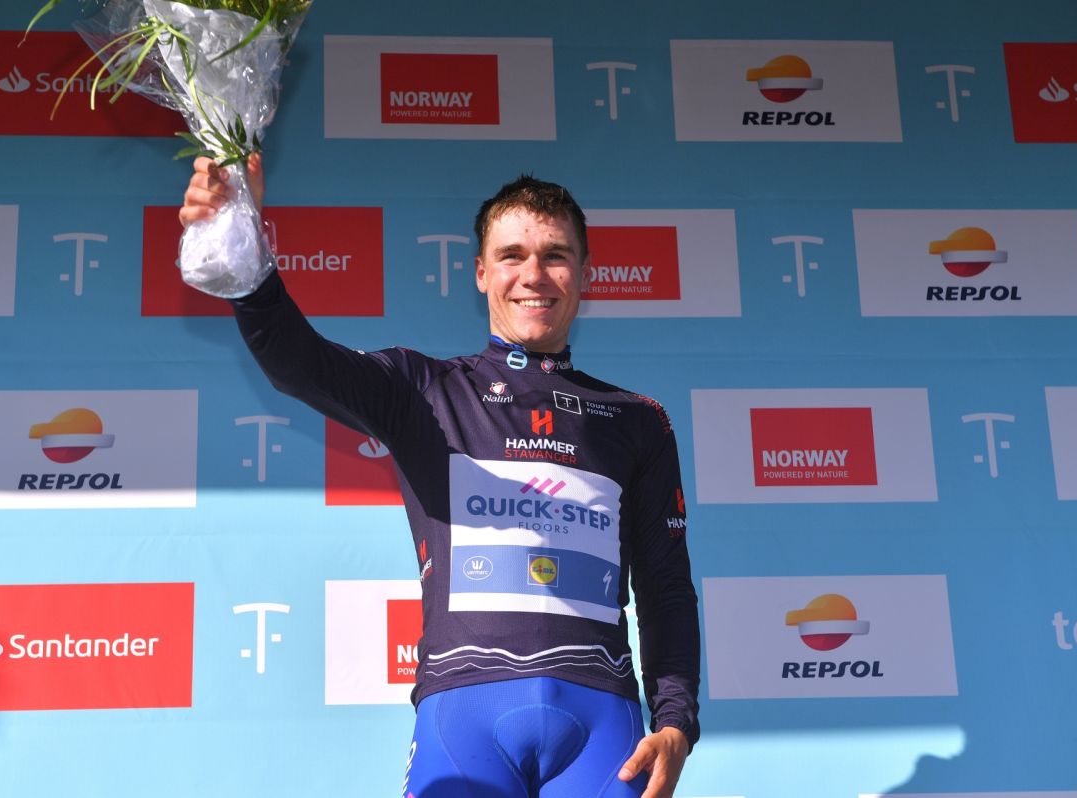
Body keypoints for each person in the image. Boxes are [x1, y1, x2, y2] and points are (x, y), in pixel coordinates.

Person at [180, 155, 700, 798]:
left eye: (555, 256)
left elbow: (666, 588)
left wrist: (676, 721)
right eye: (511, 256)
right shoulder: (424, 390)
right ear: (481, 272)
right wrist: (241, 247)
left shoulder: (639, 419)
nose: (533, 275)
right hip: (462, 714)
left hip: (602, 727)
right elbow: (298, 363)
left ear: (585, 274)